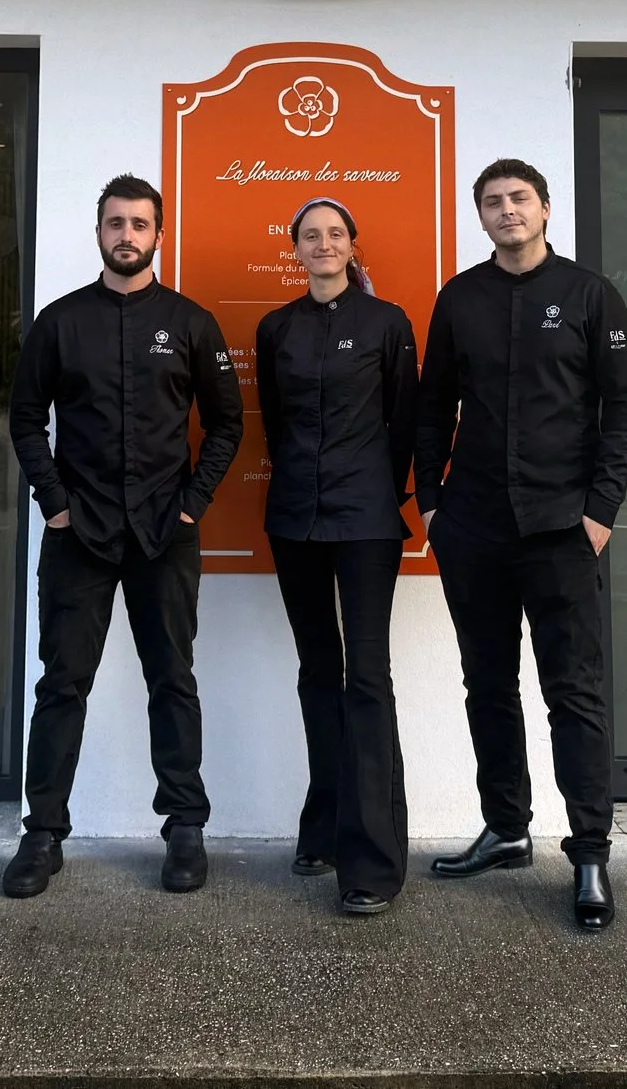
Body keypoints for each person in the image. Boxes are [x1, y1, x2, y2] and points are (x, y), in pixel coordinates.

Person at [3, 174, 244, 899]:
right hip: (81, 532)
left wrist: (192, 503)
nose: (127, 234)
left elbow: (227, 422)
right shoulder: (60, 321)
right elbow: (24, 418)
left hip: (164, 533)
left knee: (172, 679)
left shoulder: (192, 321)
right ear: (99, 230)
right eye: (116, 222)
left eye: (140, 223)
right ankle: (42, 834)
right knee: (62, 684)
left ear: (158, 234)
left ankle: (185, 827)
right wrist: (53, 502)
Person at [415, 157, 627, 931]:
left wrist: (600, 510)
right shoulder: (459, 298)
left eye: (518, 198)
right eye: (491, 201)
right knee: (488, 684)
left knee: (573, 694)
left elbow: (623, 409)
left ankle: (588, 853)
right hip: (473, 525)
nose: (506, 210)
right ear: (479, 216)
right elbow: (432, 406)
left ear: (545, 207)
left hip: (560, 530)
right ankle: (507, 826)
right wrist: (432, 503)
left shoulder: (589, 295)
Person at [254, 197, 420, 916]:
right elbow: (276, 421)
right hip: (294, 519)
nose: (323, 244)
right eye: (309, 236)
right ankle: (322, 827)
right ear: (294, 248)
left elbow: (406, 423)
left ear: (353, 245)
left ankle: (373, 861)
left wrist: (373, 492)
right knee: (317, 673)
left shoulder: (387, 323)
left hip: (365, 523)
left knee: (366, 677)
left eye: (334, 234)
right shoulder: (276, 328)